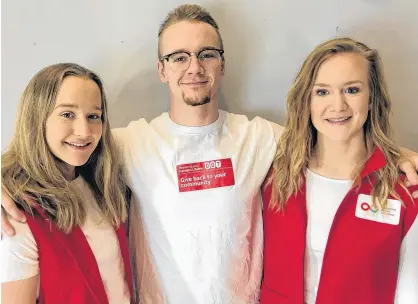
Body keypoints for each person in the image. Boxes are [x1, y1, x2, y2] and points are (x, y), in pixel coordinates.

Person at [2, 5, 418, 304]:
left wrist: (395, 154)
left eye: (206, 54)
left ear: (222, 64)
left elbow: (333, 132)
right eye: (178, 57)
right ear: (162, 69)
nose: (194, 67)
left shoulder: (262, 138)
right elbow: (66, 144)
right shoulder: (130, 143)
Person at [261, 37, 418, 304]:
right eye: (322, 92)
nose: (338, 106)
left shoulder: (406, 190)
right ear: (307, 101)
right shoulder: (275, 176)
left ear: (372, 98)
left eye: (352, 90)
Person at [0, 63, 134, 303]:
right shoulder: (18, 214)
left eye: (94, 116)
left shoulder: (101, 185)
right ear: (37, 118)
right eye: (67, 114)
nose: (84, 131)